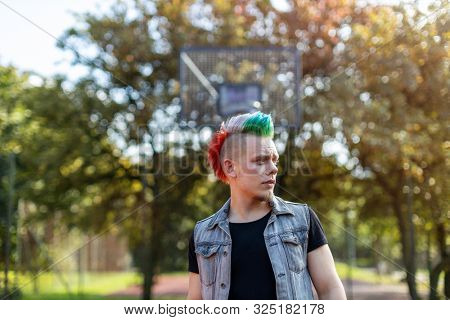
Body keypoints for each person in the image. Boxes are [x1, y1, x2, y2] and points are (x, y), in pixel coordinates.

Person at [187, 111, 346, 300]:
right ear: (230, 167)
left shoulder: (303, 220)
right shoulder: (203, 235)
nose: (273, 168)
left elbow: (330, 290)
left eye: (274, 160)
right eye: (260, 160)